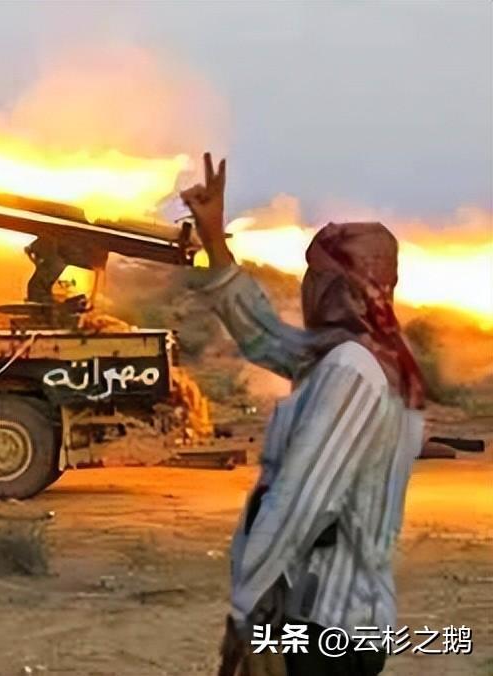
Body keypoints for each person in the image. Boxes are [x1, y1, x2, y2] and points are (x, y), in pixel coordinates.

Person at [181, 154, 426, 676]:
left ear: (345, 288)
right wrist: (214, 240)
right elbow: (264, 335)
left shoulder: (352, 371)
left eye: (320, 278)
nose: (309, 288)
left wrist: (249, 619)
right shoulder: (352, 357)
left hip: (325, 629)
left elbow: (299, 504)